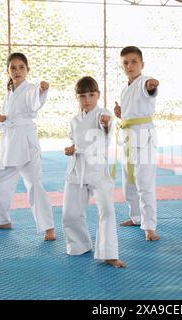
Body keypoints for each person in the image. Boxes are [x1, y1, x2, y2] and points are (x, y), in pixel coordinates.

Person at [0, 52, 55, 241]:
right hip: (9, 143)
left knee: (34, 184)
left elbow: (34, 101)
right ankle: (1, 219)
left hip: (26, 143)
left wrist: (42, 90)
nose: (17, 71)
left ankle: (48, 227)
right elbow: (3, 121)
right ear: (7, 70)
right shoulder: (9, 94)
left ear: (27, 70)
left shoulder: (31, 88)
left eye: (21, 67)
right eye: (13, 67)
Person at [62, 76, 126, 268]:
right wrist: (71, 149)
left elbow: (105, 126)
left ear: (98, 95)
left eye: (91, 95)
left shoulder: (102, 114)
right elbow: (76, 142)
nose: (87, 99)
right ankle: (80, 244)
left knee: (106, 210)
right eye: (82, 96)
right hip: (76, 169)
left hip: (97, 170)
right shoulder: (74, 120)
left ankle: (109, 254)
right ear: (77, 98)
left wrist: (106, 123)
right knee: (70, 214)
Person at [113, 46, 160, 241]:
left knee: (144, 181)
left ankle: (149, 226)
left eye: (134, 62)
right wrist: (120, 113)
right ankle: (135, 216)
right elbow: (130, 111)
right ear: (122, 66)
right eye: (125, 62)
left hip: (143, 136)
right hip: (127, 136)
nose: (129, 65)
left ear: (142, 64)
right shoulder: (125, 88)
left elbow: (150, 88)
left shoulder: (143, 82)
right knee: (128, 181)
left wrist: (152, 84)